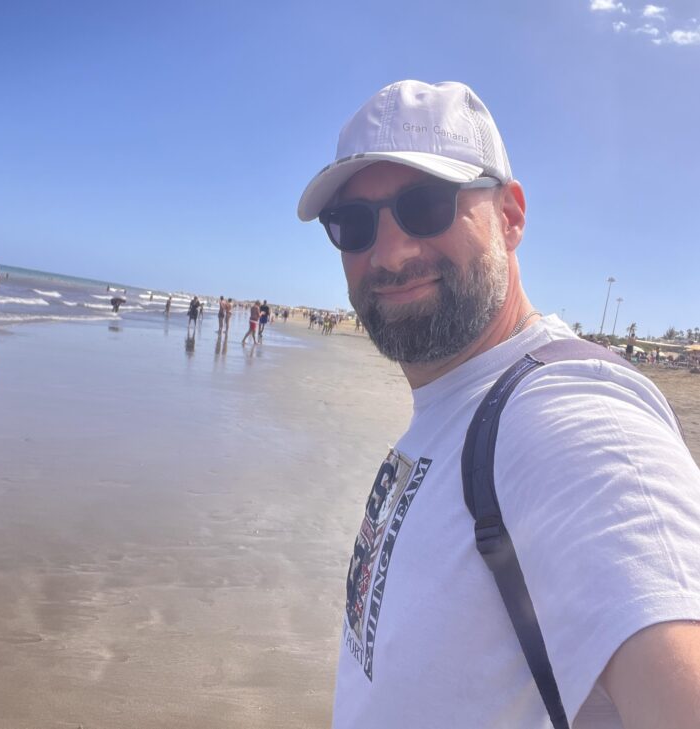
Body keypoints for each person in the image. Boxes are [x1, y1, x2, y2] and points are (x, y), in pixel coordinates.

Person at [297, 80, 700, 729]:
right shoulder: (455, 401)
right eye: (354, 224)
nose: (390, 253)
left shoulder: (570, 416)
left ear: (509, 216)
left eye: (426, 205)